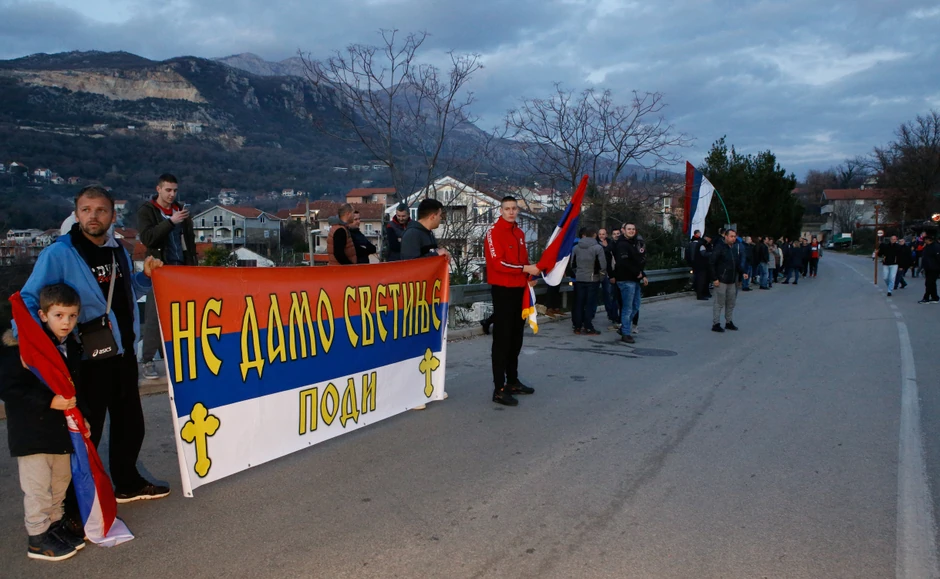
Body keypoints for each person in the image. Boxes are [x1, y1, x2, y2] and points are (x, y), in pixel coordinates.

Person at [20, 186, 169, 521]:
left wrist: (145, 277)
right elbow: (30, 300)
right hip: (85, 357)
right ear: (76, 214)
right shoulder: (60, 253)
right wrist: (32, 345)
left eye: (100, 210)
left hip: (122, 351)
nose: (93, 216)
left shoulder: (119, 248)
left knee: (130, 423)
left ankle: (127, 482)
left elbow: (127, 287)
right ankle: (75, 504)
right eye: (86, 210)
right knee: (89, 428)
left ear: (112, 216)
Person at [0, 284, 88, 561]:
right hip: (32, 432)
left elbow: (75, 387)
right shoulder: (22, 348)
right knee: (38, 486)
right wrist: (48, 402)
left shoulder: (70, 345)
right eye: (59, 315)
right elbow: (9, 388)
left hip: (60, 432)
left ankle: (55, 525)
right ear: (42, 314)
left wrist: (81, 416)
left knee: (60, 482)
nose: (66, 322)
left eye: (72, 316)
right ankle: (37, 536)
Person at [137, 173, 196, 380]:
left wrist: (192, 268)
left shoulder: (181, 211)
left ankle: (172, 359)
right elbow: (148, 237)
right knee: (154, 316)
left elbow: (189, 243)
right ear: (158, 189)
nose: (172, 194)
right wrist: (171, 222)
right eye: (168, 190)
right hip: (160, 270)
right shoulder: (148, 211)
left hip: (181, 270)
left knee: (179, 317)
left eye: (175, 190)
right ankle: (147, 360)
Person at [484, 196, 540, 406]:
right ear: (501, 210)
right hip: (503, 290)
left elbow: (523, 260)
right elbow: (498, 263)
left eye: (514, 208)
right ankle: (499, 388)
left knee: (516, 338)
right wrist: (525, 270)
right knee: (502, 340)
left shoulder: (519, 233)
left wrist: (529, 277)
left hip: (519, 290)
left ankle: (513, 381)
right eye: (507, 208)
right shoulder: (493, 232)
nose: (511, 212)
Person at [608, 222, 647, 344]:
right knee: (627, 308)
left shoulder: (634, 243)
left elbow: (637, 261)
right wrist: (637, 273)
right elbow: (623, 262)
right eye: (629, 229)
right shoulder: (622, 245)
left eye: (633, 229)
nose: (631, 231)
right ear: (623, 230)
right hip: (625, 280)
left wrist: (642, 274)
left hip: (634, 279)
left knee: (635, 306)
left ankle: (623, 327)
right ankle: (626, 333)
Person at [709, 228, 747, 332]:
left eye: (735, 236)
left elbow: (737, 263)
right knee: (719, 303)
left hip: (731, 280)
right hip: (721, 280)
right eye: (731, 236)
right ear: (725, 236)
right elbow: (711, 263)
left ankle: (728, 322)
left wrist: (742, 273)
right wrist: (714, 278)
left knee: (731, 302)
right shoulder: (719, 247)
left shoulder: (734, 248)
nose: (733, 238)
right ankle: (716, 323)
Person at [571, 227, 605, 335]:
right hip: (592, 279)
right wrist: (601, 277)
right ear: (594, 235)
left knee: (579, 303)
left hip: (580, 278)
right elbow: (602, 265)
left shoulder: (576, 248)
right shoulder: (597, 248)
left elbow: (572, 264)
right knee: (590, 304)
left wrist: (577, 274)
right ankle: (588, 326)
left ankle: (577, 326)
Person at [598, 228, 619, 328]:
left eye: (603, 234)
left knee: (611, 295)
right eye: (600, 234)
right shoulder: (596, 244)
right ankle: (611, 314)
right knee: (606, 294)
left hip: (610, 272)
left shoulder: (611, 243)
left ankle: (613, 315)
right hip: (601, 273)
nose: (601, 236)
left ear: (606, 235)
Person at [918, 234, 939, 304]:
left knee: (929, 283)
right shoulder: (927, 246)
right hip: (928, 267)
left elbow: (938, 258)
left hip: (934, 268)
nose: (924, 241)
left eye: (925, 239)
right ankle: (935, 297)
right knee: (932, 283)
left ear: (929, 240)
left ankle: (926, 298)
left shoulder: (936, 247)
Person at [693, 233, 713, 299]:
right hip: (701, 265)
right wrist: (712, 254)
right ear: (706, 238)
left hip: (704, 265)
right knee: (701, 280)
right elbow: (703, 254)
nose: (710, 240)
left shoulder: (705, 244)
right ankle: (700, 295)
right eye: (709, 238)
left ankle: (705, 293)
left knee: (705, 280)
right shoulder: (702, 244)